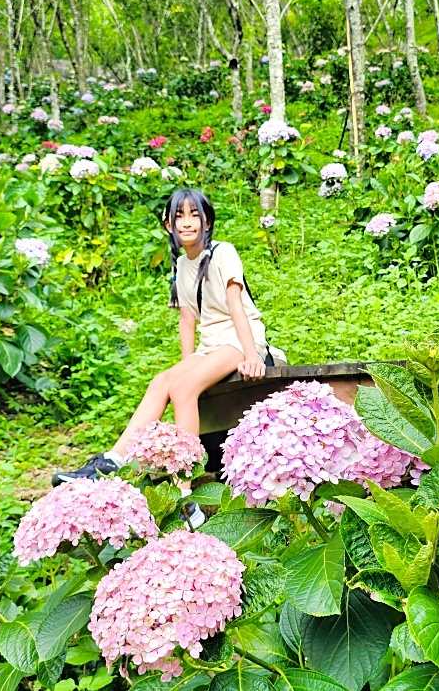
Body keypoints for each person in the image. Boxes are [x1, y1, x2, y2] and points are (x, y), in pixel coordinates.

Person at [52, 188, 284, 486]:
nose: (187, 223)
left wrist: (252, 355)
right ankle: (114, 461)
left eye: (194, 215)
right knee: (163, 381)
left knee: (184, 387)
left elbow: (235, 303)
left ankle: (184, 488)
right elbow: (187, 319)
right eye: (178, 216)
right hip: (211, 345)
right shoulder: (181, 264)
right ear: (168, 225)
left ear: (207, 222)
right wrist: (188, 364)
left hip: (240, 339)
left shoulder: (222, 252)